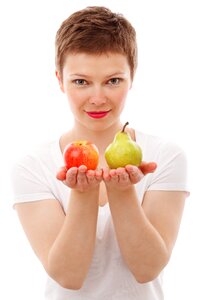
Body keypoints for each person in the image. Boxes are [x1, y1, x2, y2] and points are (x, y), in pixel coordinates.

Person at [11, 6, 189, 300]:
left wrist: (122, 192)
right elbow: (69, 276)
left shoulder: (165, 156)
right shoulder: (31, 166)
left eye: (113, 81)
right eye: (81, 82)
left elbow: (148, 269)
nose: (97, 98)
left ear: (132, 77)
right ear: (59, 80)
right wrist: (82, 194)